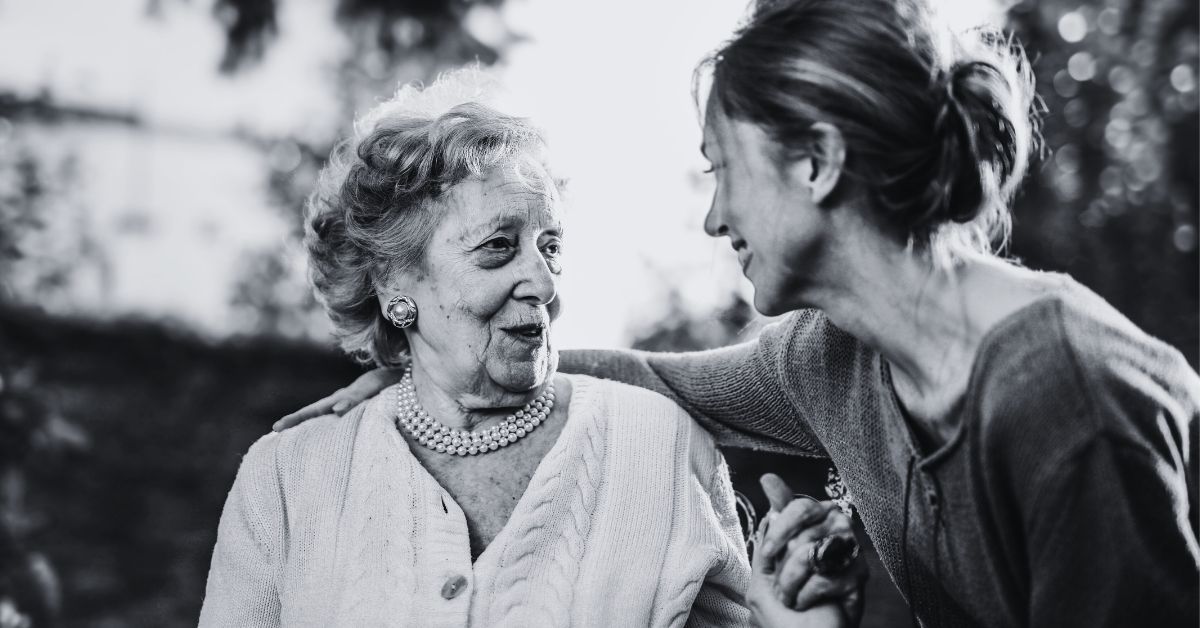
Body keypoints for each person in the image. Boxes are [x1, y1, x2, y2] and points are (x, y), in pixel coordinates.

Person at [279, 0, 1200, 626]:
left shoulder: (1064, 399)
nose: (715, 217)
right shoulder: (831, 359)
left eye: (722, 169)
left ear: (817, 163)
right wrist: (422, 359)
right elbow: (647, 378)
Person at [200, 73, 863, 627]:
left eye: (551, 248)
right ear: (395, 284)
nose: (544, 283)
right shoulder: (287, 478)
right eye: (498, 247)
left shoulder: (660, 446)